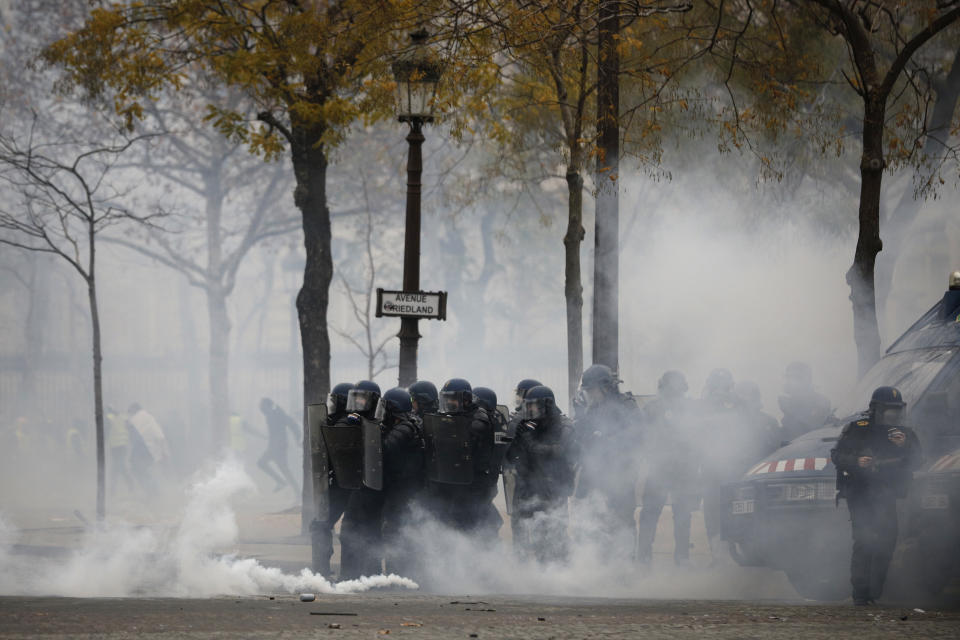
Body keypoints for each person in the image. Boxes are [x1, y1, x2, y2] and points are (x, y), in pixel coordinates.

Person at [831, 386, 922, 605]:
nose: (892, 415)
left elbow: (918, 460)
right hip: (860, 492)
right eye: (887, 411)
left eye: (896, 411)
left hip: (887, 495)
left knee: (887, 541)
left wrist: (904, 445)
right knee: (864, 540)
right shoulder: (859, 428)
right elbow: (837, 455)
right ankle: (861, 595)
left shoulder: (904, 433)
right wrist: (856, 462)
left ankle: (874, 593)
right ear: (875, 410)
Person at [574, 364, 645, 563]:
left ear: (605, 387)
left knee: (622, 522)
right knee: (597, 521)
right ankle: (602, 566)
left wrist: (608, 439)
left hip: (620, 475)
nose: (589, 395)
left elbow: (637, 436)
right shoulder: (592, 409)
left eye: (591, 390)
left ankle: (625, 567)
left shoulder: (626, 406)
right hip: (597, 474)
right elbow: (583, 440)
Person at [506, 385, 577, 563]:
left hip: (554, 488)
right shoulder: (529, 426)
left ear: (547, 405)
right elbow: (511, 457)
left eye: (534, 406)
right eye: (528, 406)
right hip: (531, 487)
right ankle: (541, 574)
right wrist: (517, 438)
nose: (530, 410)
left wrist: (529, 441)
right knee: (534, 533)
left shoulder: (564, 426)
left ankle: (562, 571)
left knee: (554, 533)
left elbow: (557, 452)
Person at [635, 371, 699, 567]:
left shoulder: (655, 408)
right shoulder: (688, 408)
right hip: (669, 468)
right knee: (676, 514)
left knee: (658, 514)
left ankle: (648, 558)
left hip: (671, 468)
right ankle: (678, 558)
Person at [423, 377, 500, 537]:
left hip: (474, 486)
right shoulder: (453, 417)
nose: (449, 403)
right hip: (454, 483)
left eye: (452, 399)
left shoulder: (479, 419)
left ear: (465, 400)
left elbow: (461, 446)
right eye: (446, 399)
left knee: (471, 531)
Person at [376, 387, 425, 577]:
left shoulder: (404, 427)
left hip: (403, 491)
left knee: (395, 532)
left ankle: (397, 575)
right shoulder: (406, 424)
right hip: (402, 488)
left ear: (393, 408)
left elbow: (385, 448)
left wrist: (376, 432)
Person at [337, 380, 383, 579]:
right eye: (355, 397)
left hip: (375, 488)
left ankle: (368, 575)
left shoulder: (380, 421)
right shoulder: (351, 419)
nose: (358, 402)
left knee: (369, 533)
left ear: (372, 400)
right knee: (350, 532)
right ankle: (351, 576)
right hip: (358, 486)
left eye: (362, 398)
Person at [697, 368, 744, 564]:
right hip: (710, 469)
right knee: (712, 512)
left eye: (722, 387)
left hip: (732, 468)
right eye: (715, 386)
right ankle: (717, 554)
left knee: (734, 510)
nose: (719, 391)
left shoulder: (738, 405)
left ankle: (734, 553)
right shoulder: (702, 407)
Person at [310, 382, 354, 578]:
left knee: (321, 525)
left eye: (335, 400)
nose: (332, 404)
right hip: (339, 484)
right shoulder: (337, 421)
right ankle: (323, 570)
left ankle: (322, 571)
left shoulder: (346, 423)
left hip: (345, 486)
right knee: (321, 524)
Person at [778, 362, 832, 442]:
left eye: (797, 377)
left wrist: (790, 410)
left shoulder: (820, 401)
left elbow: (814, 427)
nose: (791, 381)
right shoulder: (789, 401)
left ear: (808, 379)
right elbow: (788, 432)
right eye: (788, 377)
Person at [257, 397, 300, 493]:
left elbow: (292, 424)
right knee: (283, 469)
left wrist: (297, 439)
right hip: (275, 446)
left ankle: (286, 485)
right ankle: (286, 485)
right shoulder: (271, 413)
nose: (261, 409)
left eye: (262, 407)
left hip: (279, 446)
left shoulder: (277, 413)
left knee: (263, 463)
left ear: (267, 405)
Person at [127, 402, 169, 496]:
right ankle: (153, 493)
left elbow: (159, 436)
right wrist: (164, 451)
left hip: (142, 449)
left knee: (139, 470)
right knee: (143, 470)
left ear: (133, 410)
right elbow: (160, 436)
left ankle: (153, 494)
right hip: (147, 450)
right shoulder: (148, 417)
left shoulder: (135, 419)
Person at [735, 380, 783, 460]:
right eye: (740, 393)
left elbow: (777, 450)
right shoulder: (731, 423)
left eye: (746, 394)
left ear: (756, 397)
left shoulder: (769, 421)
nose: (743, 397)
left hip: (765, 467)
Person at [105, 405, 134, 496]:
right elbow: (129, 428)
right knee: (119, 466)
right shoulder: (122, 417)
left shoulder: (109, 418)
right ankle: (129, 486)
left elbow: (106, 431)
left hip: (115, 446)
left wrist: (104, 441)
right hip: (123, 446)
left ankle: (114, 490)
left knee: (117, 467)